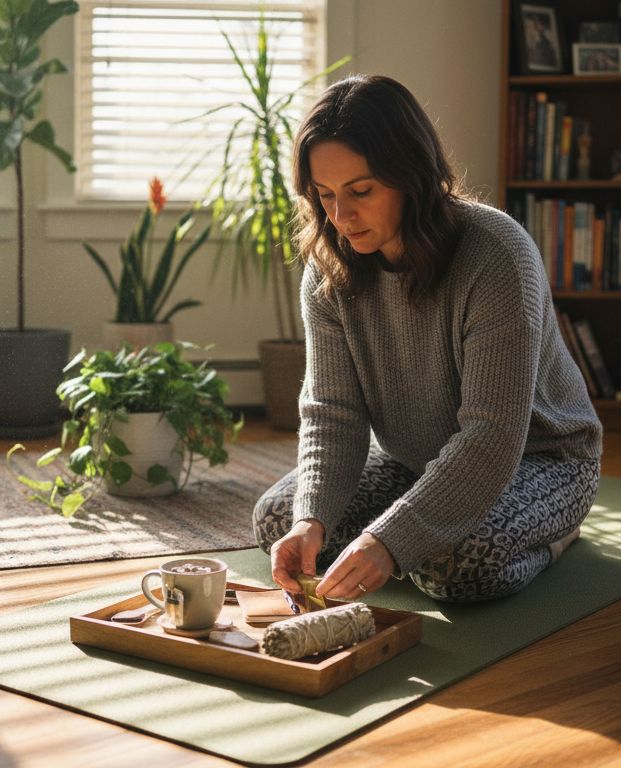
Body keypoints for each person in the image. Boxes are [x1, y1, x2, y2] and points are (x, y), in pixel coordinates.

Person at [252, 75, 603, 604]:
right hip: (412, 459)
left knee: (450, 565)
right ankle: (410, 528)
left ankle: (558, 537)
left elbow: (491, 436)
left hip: (540, 458)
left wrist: (388, 540)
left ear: (411, 175)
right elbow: (333, 414)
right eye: (325, 195)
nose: (341, 217)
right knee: (282, 521)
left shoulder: (497, 255)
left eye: (361, 191)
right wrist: (312, 521)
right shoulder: (328, 268)